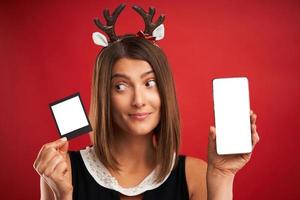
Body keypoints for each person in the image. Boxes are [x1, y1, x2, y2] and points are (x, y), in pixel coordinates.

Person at [33, 4, 260, 200]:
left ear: (165, 90)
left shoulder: (196, 175)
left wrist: (222, 176)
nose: (139, 100)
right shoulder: (62, 171)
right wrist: (62, 195)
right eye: (120, 86)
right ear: (104, 96)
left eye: (149, 83)